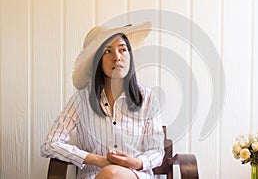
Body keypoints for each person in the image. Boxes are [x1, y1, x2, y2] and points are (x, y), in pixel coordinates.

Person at [41, 22, 165, 179]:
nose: (117, 57)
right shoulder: (81, 99)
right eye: (108, 51)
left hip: (136, 175)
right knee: (110, 173)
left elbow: (157, 151)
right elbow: (50, 144)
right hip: (94, 176)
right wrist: (98, 160)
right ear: (98, 60)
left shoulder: (147, 98)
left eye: (122, 50)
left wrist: (135, 162)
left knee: (112, 174)